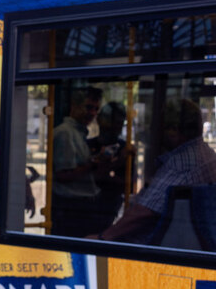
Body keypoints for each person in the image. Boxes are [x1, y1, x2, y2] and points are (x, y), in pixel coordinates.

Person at [98, 98, 216, 244]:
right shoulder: (206, 153)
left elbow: (144, 212)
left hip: (149, 248)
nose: (153, 133)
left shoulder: (181, 163)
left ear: (173, 130)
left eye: (158, 127)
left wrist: (103, 237)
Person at [50, 86, 103, 237]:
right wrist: (92, 165)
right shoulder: (65, 133)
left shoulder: (78, 133)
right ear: (74, 105)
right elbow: (63, 175)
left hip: (79, 208)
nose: (92, 113)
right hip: (71, 209)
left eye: (95, 109)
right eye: (88, 107)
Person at [86, 101, 133, 229]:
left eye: (117, 122)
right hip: (85, 209)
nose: (112, 127)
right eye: (107, 122)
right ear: (99, 121)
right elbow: (87, 179)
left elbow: (128, 186)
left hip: (111, 209)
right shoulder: (87, 146)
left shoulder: (125, 149)